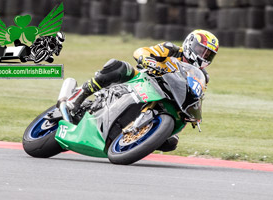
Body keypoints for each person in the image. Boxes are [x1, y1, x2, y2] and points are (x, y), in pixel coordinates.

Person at [63, 29, 219, 152]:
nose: (203, 56)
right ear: (190, 43)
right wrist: (148, 60)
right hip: (143, 81)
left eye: (208, 55)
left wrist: (194, 113)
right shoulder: (171, 50)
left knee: (171, 142)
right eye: (201, 50)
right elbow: (141, 51)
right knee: (117, 66)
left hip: (168, 99)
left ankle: (143, 138)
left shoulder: (202, 76)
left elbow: (195, 96)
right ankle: (79, 95)